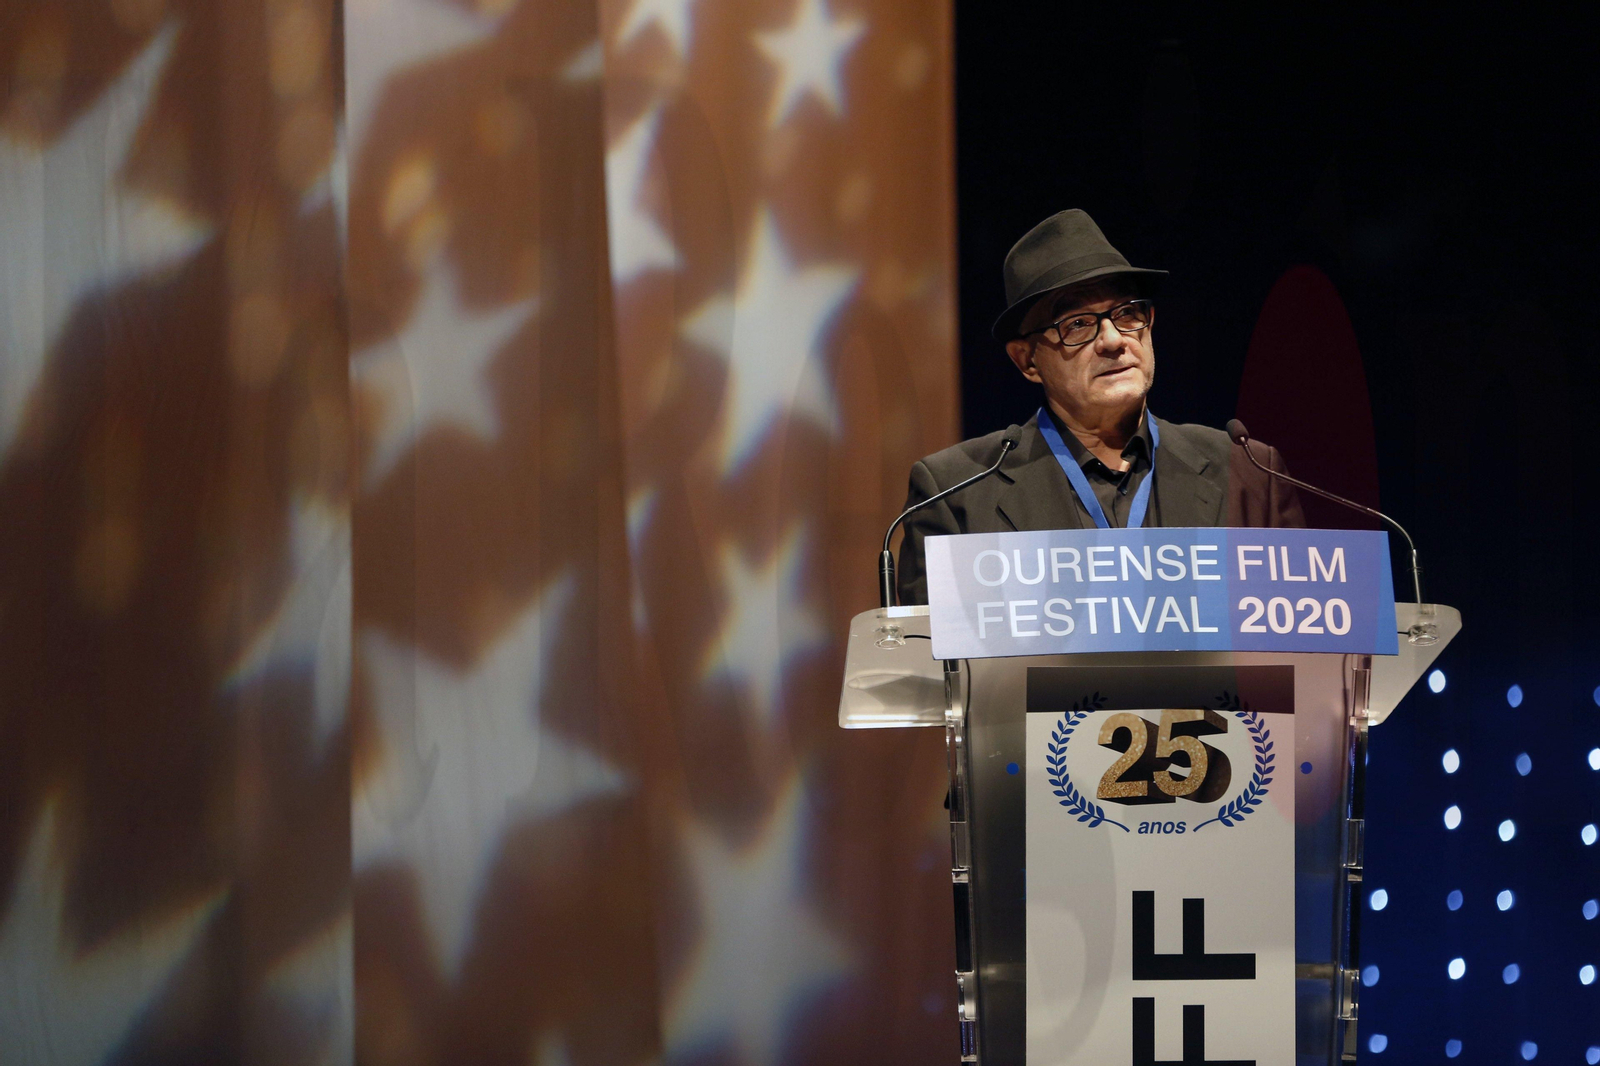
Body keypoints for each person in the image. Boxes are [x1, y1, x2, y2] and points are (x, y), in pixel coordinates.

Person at [897, 209, 1304, 605]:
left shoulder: (1250, 475)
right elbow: (935, 649)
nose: (1113, 340)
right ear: (1027, 360)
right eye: (1077, 324)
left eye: (1127, 314)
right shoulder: (955, 495)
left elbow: (1298, 635)